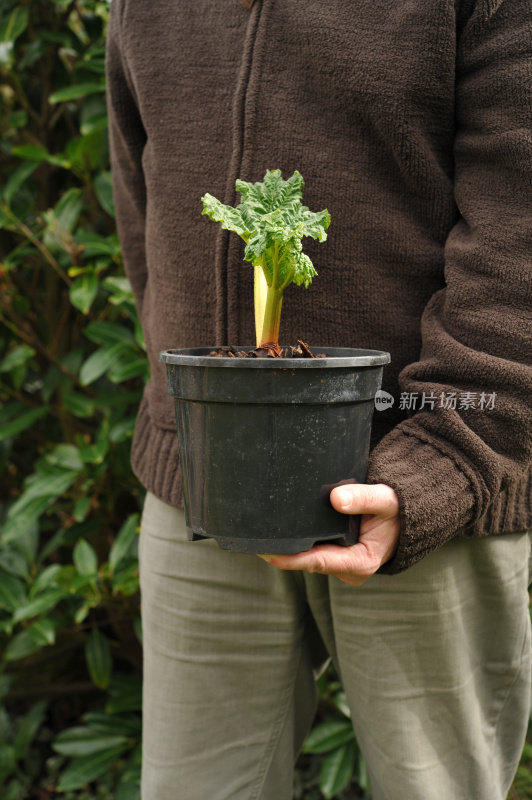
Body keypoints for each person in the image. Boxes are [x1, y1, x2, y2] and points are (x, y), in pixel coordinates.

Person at [106, 1, 532, 798]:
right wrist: (189, 410)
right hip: (204, 492)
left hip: (432, 487)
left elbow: (521, 238)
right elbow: (145, 204)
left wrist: (444, 461)